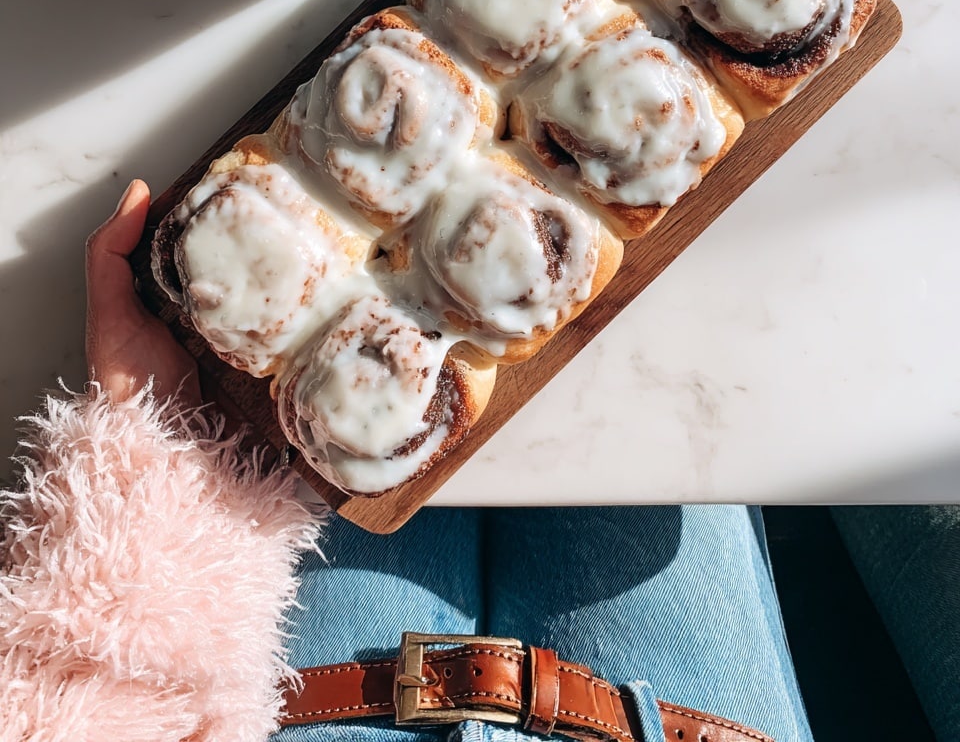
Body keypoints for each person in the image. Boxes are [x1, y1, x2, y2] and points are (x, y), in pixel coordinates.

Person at [1, 181, 815, 742]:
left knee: (370, 382)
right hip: (671, 720)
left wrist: (171, 455)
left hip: (315, 708)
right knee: (654, 360)